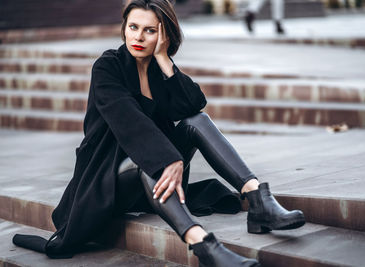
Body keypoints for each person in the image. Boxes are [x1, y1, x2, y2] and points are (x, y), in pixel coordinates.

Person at [12, 0, 305, 266]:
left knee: (197, 120)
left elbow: (193, 104)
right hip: (104, 181)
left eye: (149, 30)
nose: (138, 37)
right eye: (133, 27)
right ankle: (202, 244)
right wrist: (169, 159)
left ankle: (258, 200)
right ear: (124, 29)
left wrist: (165, 60)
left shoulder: (158, 69)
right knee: (150, 158)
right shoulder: (107, 67)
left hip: (149, 179)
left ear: (164, 34)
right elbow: (127, 120)